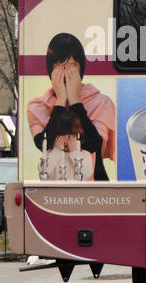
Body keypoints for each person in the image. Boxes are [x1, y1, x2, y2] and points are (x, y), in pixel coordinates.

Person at [27, 33, 115, 180]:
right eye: (60, 66)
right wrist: (60, 101)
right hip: (54, 190)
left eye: (72, 66)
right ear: (51, 70)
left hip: (96, 189)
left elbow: (94, 144)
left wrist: (75, 101)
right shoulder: (38, 106)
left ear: (81, 68)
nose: (66, 72)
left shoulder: (101, 102)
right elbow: (44, 144)